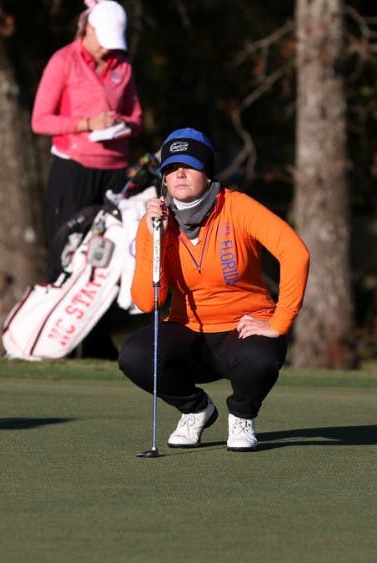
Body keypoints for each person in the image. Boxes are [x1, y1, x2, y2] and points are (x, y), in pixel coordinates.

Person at [118, 127, 310, 452]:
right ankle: (196, 409)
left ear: (206, 172)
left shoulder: (238, 207)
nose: (179, 173)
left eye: (189, 165)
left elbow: (295, 253)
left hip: (243, 328)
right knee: (135, 355)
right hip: (189, 332)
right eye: (171, 168)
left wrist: (279, 321)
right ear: (163, 178)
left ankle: (242, 415)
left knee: (260, 359)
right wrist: (155, 236)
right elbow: (148, 301)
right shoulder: (155, 221)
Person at [31, 0, 142, 360]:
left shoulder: (121, 65)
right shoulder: (63, 61)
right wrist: (85, 125)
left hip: (113, 167)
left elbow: (137, 116)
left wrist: (120, 122)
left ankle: (96, 342)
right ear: (86, 29)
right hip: (73, 166)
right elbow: (41, 120)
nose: (106, 47)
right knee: (66, 250)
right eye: (102, 39)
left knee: (109, 255)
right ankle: (53, 340)